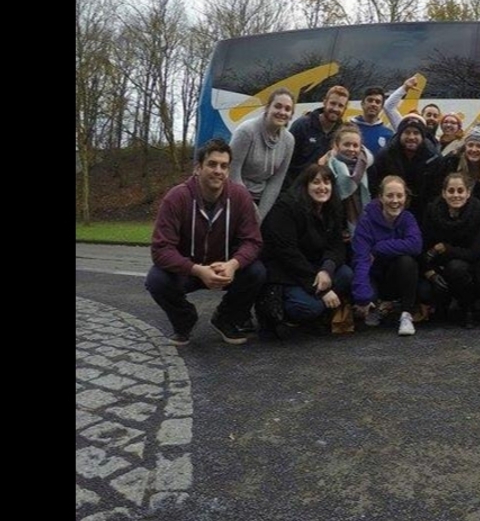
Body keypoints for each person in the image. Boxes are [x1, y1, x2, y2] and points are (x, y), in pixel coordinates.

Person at [146, 138, 266, 346]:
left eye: (224, 166)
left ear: (228, 171)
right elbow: (161, 249)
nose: (218, 170)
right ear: (198, 168)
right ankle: (184, 320)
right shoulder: (176, 198)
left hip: (225, 269)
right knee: (156, 279)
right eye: (212, 164)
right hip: (189, 270)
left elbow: (253, 241)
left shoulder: (240, 197)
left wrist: (233, 264)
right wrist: (197, 269)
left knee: (257, 272)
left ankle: (226, 319)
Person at [259, 164, 355, 337]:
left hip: (316, 268)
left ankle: (317, 310)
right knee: (308, 308)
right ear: (305, 185)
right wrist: (323, 289)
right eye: (315, 182)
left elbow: (336, 246)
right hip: (287, 272)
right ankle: (282, 313)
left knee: (346, 274)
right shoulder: (287, 208)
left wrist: (327, 269)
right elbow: (287, 254)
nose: (322, 187)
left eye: (327, 182)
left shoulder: (331, 208)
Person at [351, 175, 423, 336]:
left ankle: (406, 315)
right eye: (390, 195)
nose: (395, 200)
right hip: (374, 274)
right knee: (365, 306)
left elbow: (415, 245)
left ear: (406, 197)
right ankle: (375, 304)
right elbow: (361, 259)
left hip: (396, 276)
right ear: (380, 197)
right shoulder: (366, 221)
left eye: (399, 195)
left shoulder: (408, 218)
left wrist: (378, 248)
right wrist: (362, 296)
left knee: (408, 261)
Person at [419, 172, 480, 328]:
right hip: (437, 266)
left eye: (460, 191)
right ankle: (442, 306)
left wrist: (445, 248)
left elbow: (474, 253)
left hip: (469, 269)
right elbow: (423, 246)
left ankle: (467, 309)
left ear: (468, 193)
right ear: (444, 193)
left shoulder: (479, 213)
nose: (456, 195)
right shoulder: (432, 211)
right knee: (425, 291)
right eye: (451, 191)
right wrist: (429, 272)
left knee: (456, 267)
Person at [229, 87, 297, 221]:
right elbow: (232, 171)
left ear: (291, 114)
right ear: (267, 108)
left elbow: (276, 181)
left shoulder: (289, 141)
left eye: (287, 109)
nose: (282, 112)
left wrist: (260, 216)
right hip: (236, 194)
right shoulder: (246, 131)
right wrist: (249, 207)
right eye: (278, 106)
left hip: (263, 198)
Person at [367, 115, 438, 219]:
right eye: (407, 132)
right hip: (390, 209)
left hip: (423, 211)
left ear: (422, 136)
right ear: (400, 134)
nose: (411, 137)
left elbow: (436, 191)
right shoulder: (385, 155)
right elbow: (375, 186)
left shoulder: (434, 157)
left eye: (416, 133)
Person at [427, 125, 480, 210]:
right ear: (465, 147)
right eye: (470, 145)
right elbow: (437, 190)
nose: (474, 149)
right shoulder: (451, 163)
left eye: (479, 146)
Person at [286, 84, 349, 185]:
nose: (336, 109)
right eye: (332, 103)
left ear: (345, 108)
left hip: (323, 192)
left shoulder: (342, 133)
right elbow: (284, 162)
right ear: (324, 102)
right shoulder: (302, 125)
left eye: (340, 106)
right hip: (296, 191)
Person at [322, 124, 373, 239]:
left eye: (355, 145)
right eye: (346, 144)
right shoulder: (327, 166)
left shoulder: (368, 166)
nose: (351, 149)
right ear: (337, 145)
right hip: (334, 225)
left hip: (364, 224)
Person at [384, 76, 442, 157]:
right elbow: (388, 107)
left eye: (435, 116)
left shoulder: (439, 141)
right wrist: (404, 88)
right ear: (422, 117)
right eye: (428, 115)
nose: (432, 118)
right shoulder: (405, 129)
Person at [353, 85, 395, 156]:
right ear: (362, 104)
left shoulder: (389, 134)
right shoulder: (348, 129)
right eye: (370, 100)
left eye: (377, 102)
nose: (373, 104)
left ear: (381, 107)